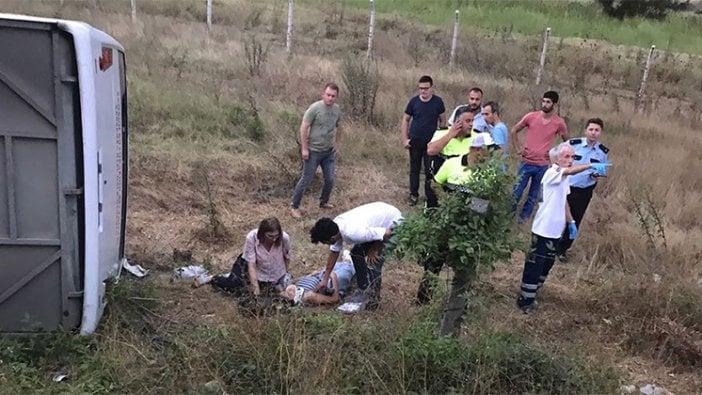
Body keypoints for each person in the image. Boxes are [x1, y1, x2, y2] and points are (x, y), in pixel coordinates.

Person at [516, 143, 611, 314]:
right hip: (543, 229)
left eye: (572, 157)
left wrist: (571, 222)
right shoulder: (552, 173)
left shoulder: (563, 178)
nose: (570, 160)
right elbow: (569, 171)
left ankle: (534, 292)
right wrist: (590, 165)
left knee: (547, 264)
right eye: (566, 157)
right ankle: (525, 300)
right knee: (535, 264)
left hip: (555, 230)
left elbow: (564, 201)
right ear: (556, 159)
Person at [416, 133, 495, 305]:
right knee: (433, 262)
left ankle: (458, 305)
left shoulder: (489, 172)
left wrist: (475, 221)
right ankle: (422, 300)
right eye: (488, 150)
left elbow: (487, 200)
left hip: (469, 229)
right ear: (475, 149)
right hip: (446, 223)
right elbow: (435, 183)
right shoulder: (452, 163)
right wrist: (444, 201)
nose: (490, 154)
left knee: (465, 268)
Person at [309, 202, 403, 311]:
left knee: (373, 263)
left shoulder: (353, 233)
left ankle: (373, 302)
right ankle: (363, 288)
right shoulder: (335, 227)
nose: (327, 245)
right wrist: (325, 279)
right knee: (355, 253)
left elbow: (387, 233)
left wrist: (374, 249)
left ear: (332, 238)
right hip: (378, 221)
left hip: (393, 223)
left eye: (325, 242)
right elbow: (334, 254)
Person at [555, 118, 610, 262]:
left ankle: (562, 250)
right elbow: (554, 153)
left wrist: (597, 174)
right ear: (586, 130)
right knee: (557, 217)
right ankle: (550, 244)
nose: (593, 133)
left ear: (600, 133)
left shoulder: (601, 152)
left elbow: (602, 171)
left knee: (574, 220)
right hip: (566, 187)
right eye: (591, 129)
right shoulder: (574, 144)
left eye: (596, 130)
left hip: (584, 190)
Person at [510, 90, 569, 222]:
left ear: (554, 104)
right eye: (543, 101)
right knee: (516, 192)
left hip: (542, 165)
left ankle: (522, 221)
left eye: (548, 102)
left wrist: (556, 157)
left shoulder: (558, 123)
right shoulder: (531, 116)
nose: (545, 104)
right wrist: (518, 149)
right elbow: (514, 130)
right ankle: (506, 218)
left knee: (533, 195)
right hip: (526, 162)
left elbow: (567, 142)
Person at [290, 83, 342, 219]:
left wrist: (337, 144)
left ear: (336, 97)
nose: (330, 98)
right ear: (323, 94)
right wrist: (304, 148)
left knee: (330, 179)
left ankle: (324, 202)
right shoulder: (315, 108)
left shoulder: (336, 110)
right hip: (313, 151)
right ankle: (294, 206)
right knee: (306, 180)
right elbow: (303, 127)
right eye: (328, 95)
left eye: (333, 96)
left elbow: (339, 126)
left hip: (328, 152)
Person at [400, 75, 447, 206]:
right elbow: (405, 119)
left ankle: (429, 196)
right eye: (421, 88)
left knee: (429, 171)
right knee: (414, 169)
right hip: (415, 142)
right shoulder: (413, 102)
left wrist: (441, 140)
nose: (423, 91)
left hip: (431, 144)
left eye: (426, 88)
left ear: (431, 88)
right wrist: (404, 139)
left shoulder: (438, 102)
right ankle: (413, 195)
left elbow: (443, 120)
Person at [425, 108, 476, 207]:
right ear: (457, 121)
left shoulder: (477, 136)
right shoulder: (442, 133)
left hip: (465, 187)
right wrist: (450, 135)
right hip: (440, 182)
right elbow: (431, 151)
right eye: (468, 121)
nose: (471, 124)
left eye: (473, 121)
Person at [283, 251, 356, 306]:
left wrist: (310, 275)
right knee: (343, 275)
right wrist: (333, 277)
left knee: (332, 266)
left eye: (286, 293)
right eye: (289, 295)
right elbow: (335, 299)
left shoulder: (290, 289)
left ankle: (346, 262)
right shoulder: (308, 296)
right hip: (328, 284)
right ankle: (351, 265)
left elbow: (295, 282)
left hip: (319, 276)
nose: (289, 292)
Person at [243, 217, 292, 297]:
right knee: (234, 283)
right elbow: (252, 265)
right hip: (259, 274)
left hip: (277, 274)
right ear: (262, 233)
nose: (274, 239)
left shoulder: (284, 238)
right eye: (270, 236)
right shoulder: (252, 238)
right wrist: (256, 289)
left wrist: (284, 275)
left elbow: (287, 258)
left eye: (276, 236)